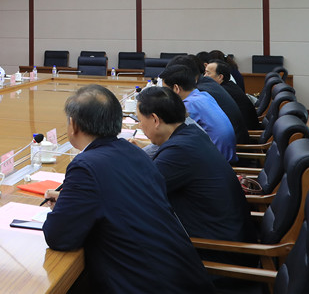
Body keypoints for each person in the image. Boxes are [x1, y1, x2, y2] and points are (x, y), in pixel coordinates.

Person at [42, 85, 215, 294]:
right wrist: (71, 201)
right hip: (184, 277)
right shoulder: (134, 152)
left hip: (146, 285)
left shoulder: (85, 166)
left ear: (73, 125)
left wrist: (66, 207)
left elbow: (59, 237)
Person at [135, 86, 256, 268]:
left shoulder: (179, 151)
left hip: (216, 257)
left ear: (155, 119)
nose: (139, 125)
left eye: (139, 120)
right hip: (227, 239)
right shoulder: (191, 134)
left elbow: (137, 192)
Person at [160, 65, 237, 163]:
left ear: (176, 88)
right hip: (223, 157)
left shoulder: (188, 106)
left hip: (214, 161)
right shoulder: (204, 95)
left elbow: (170, 137)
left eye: (165, 90)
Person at [168, 54, 248, 144]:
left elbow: (175, 130)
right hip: (232, 142)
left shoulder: (200, 92)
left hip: (234, 145)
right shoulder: (208, 85)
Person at [205, 60, 261, 130]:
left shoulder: (223, 92)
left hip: (245, 133)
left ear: (220, 77)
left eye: (208, 73)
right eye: (205, 72)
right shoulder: (229, 86)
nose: (204, 76)